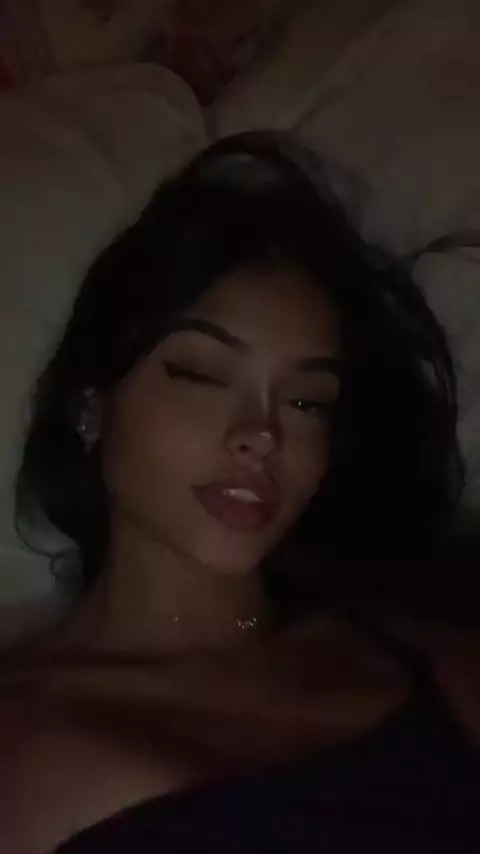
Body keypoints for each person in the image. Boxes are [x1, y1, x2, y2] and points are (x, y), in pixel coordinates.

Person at [2, 132, 480, 854]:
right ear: (92, 406)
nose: (261, 434)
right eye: (201, 376)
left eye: (307, 401)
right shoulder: (21, 725)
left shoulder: (426, 661)